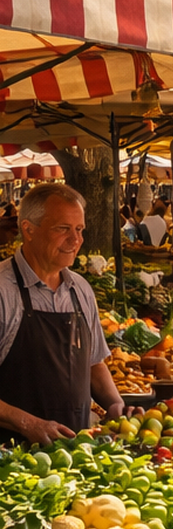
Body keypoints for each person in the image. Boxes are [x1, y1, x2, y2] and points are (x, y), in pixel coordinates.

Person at [0, 184, 132, 445]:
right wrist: (29, 424)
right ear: (28, 229)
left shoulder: (80, 289)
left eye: (79, 229)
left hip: (73, 460)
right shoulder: (4, 290)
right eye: (63, 229)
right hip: (10, 463)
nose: (76, 240)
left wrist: (116, 404)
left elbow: (93, 362)